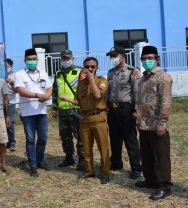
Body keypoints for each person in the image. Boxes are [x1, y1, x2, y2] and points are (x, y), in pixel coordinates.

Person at [62, 57, 110, 184]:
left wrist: (90, 79)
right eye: (87, 67)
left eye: (92, 67)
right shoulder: (81, 84)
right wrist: (68, 99)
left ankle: (105, 173)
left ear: (96, 68)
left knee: (103, 147)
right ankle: (89, 171)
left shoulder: (102, 81)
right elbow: (78, 101)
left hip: (99, 118)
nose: (89, 69)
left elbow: (98, 95)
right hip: (84, 118)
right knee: (86, 147)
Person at [134, 45, 173, 200]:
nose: (147, 61)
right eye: (144, 59)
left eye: (150, 58)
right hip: (144, 124)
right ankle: (150, 180)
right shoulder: (143, 78)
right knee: (147, 155)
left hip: (157, 125)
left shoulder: (163, 78)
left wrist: (162, 123)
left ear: (157, 59)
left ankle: (164, 186)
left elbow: (166, 101)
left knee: (161, 157)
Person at [14, 48, 53, 177]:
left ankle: (40, 161)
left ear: (37, 59)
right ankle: (33, 166)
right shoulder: (19, 74)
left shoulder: (43, 73)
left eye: (34, 59)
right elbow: (21, 90)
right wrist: (37, 95)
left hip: (42, 112)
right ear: (25, 60)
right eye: (29, 59)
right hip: (28, 114)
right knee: (30, 140)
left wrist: (46, 95)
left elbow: (49, 88)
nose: (32, 61)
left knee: (43, 138)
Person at [106, 46, 142, 179]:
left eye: (114, 56)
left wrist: (136, 110)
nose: (112, 58)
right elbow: (108, 91)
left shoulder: (132, 71)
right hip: (113, 109)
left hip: (126, 108)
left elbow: (136, 92)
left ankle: (136, 167)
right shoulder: (111, 73)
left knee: (130, 138)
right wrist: (105, 107)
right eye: (111, 56)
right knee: (114, 138)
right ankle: (116, 162)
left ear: (122, 56)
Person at [51, 49, 85, 171]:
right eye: (64, 58)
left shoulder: (79, 71)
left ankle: (82, 159)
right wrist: (54, 107)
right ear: (61, 60)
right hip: (62, 110)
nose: (66, 60)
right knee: (65, 136)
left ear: (72, 59)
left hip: (75, 109)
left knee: (79, 136)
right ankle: (69, 157)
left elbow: (84, 90)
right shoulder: (58, 73)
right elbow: (55, 90)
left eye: (68, 58)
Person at [4, 58, 17, 151]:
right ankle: (7, 142)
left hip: (11, 102)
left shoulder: (15, 76)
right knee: (4, 123)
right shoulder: (1, 76)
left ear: (11, 66)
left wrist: (11, 83)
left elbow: (16, 91)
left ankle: (12, 142)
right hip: (2, 102)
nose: (5, 68)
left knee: (10, 122)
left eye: (7, 66)